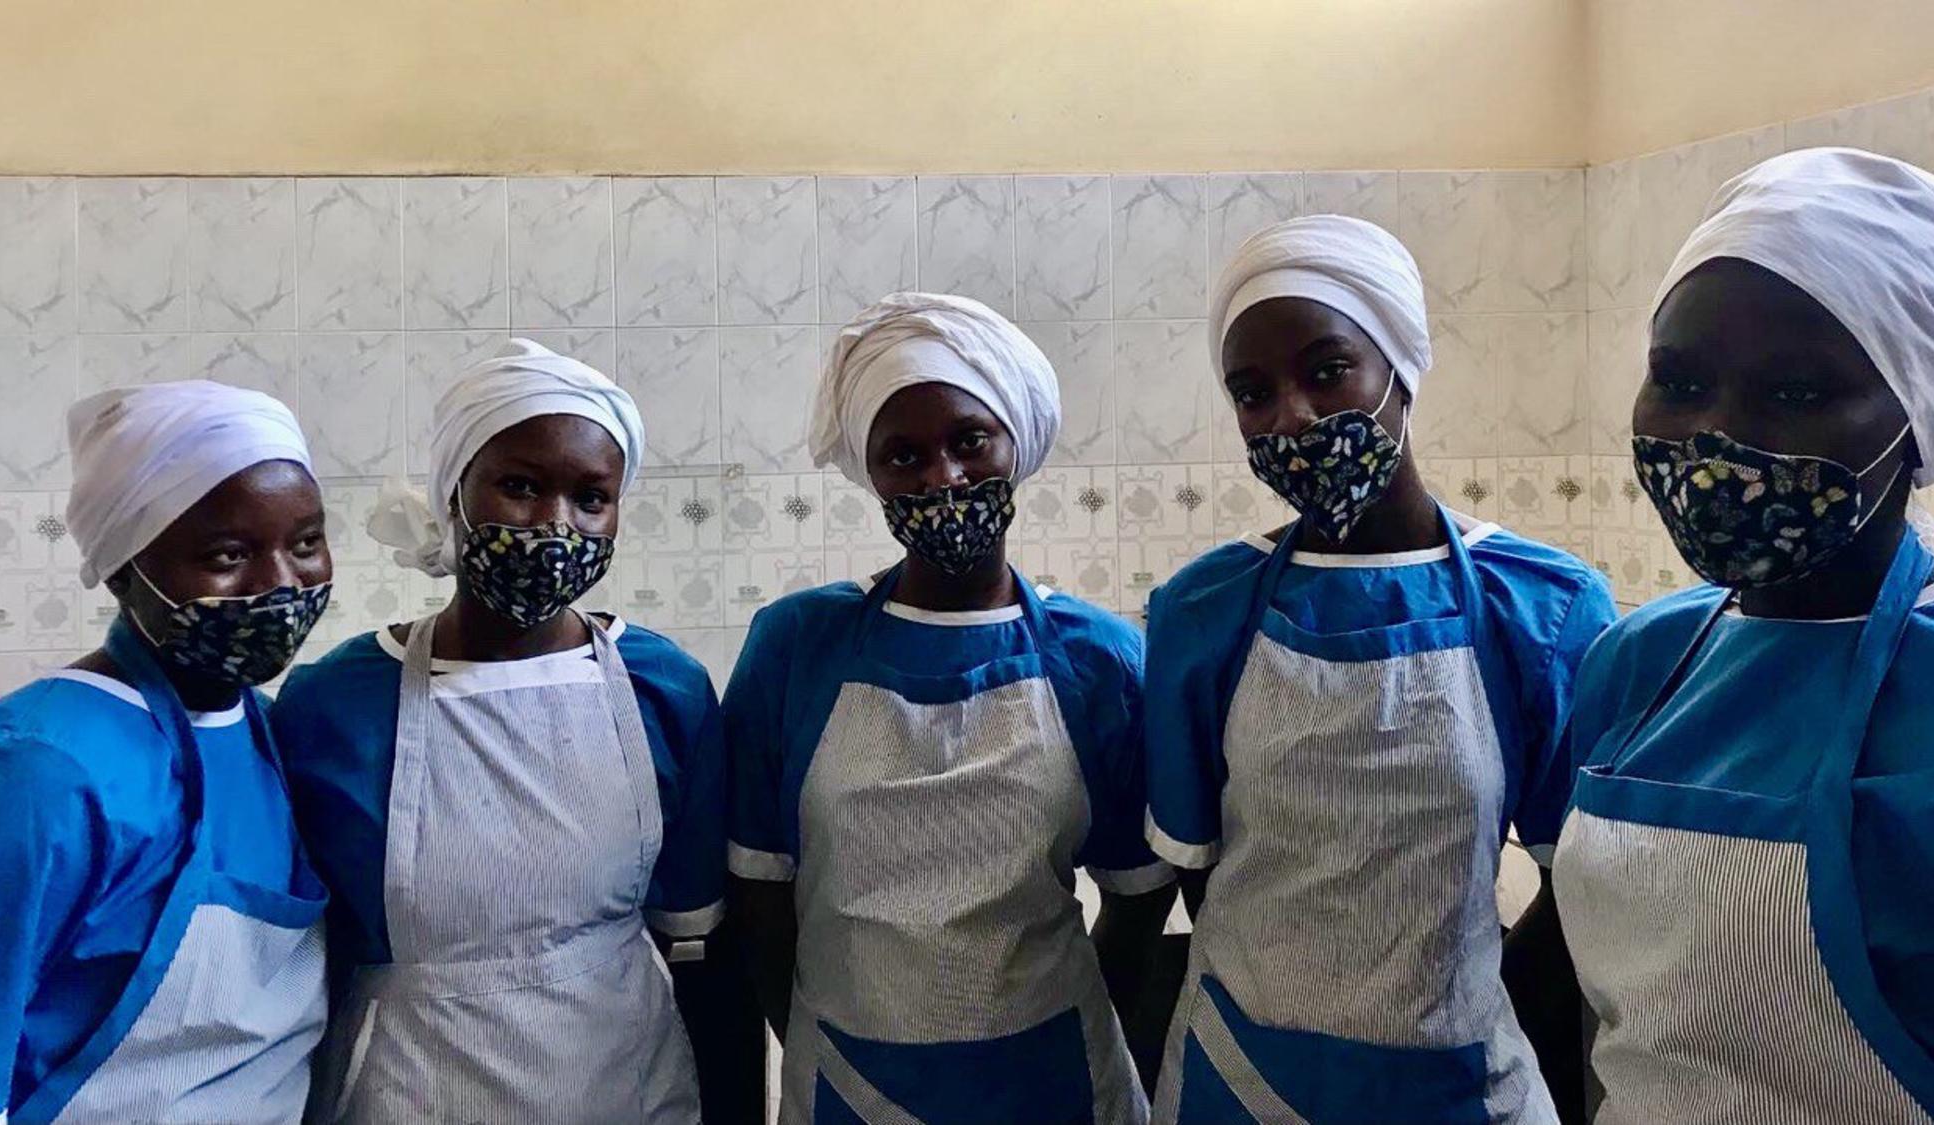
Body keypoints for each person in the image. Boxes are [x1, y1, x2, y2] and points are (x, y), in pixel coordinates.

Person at [1143, 216, 1614, 1123]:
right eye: (1253, 392)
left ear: (1400, 364)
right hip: (1242, 1079)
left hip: (1457, 1082)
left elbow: (1580, 885)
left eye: (1327, 372)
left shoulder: (1543, 606)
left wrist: (1457, 1005)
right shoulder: (1204, 610)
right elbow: (1202, 870)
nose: (1293, 416)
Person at [1555, 148, 1934, 1124]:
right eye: (1678, 379)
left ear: (1915, 422)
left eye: (1794, 393)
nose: (1714, 437)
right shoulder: (1636, 663)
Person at [724, 292, 1175, 1124]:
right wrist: (823, 1027)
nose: (942, 477)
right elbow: (756, 891)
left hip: (1060, 1083)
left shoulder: (1098, 658)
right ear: (872, 473)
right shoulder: (797, 646)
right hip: (849, 1084)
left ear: (1016, 445)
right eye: (903, 455)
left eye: (969, 441)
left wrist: (1044, 1018)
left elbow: (1139, 889)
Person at [272, 339, 726, 1123]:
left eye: (591, 497)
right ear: (454, 494)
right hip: (409, 1091)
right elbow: (307, 961)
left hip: (624, 1088)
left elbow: (702, 954)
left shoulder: (664, 689)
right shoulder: (332, 705)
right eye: (519, 486)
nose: (555, 524)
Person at [0, 382, 333, 1123]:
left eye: (305, 542)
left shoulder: (270, 732)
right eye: (227, 554)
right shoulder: (43, 769)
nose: (279, 583)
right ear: (122, 568)